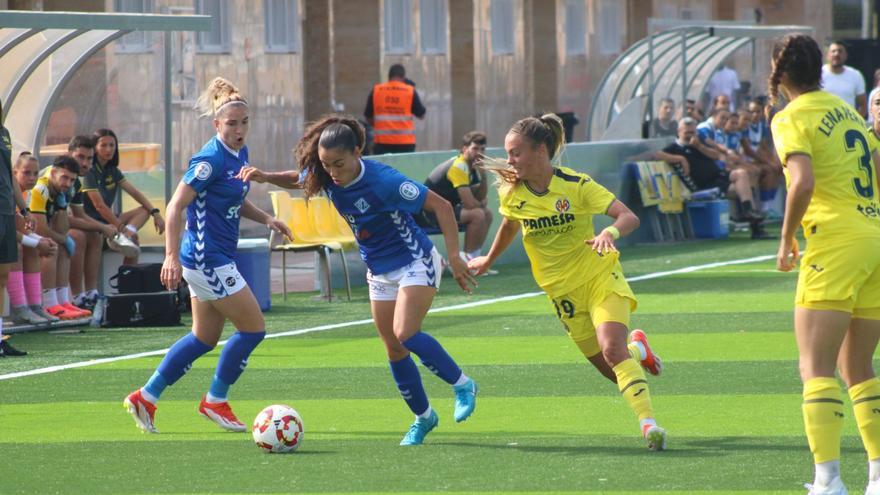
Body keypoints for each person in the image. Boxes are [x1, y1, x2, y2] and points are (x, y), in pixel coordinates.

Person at [238, 115, 480, 446]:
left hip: (415, 260)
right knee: (393, 348)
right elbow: (300, 178)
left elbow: (441, 207)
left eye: (339, 164)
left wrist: (454, 256)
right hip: (379, 270)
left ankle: (463, 384)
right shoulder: (326, 174)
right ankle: (423, 418)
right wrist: (266, 177)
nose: (332, 172)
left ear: (357, 151)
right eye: (326, 165)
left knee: (405, 333)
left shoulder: (385, 181)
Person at [467, 114, 666, 451]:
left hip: (599, 276)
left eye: (516, 153)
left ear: (540, 151)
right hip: (562, 293)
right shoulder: (512, 193)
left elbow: (627, 216)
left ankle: (649, 425)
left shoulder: (576, 184)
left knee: (612, 349)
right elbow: (510, 226)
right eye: (508, 153)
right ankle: (638, 349)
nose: (510, 160)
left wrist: (609, 231)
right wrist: (488, 259)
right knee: (612, 367)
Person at [123, 77, 291, 434]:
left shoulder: (238, 154)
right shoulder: (208, 159)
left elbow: (232, 199)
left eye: (244, 123)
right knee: (253, 329)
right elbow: (174, 207)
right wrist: (170, 256)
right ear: (217, 124)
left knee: (204, 338)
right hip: (206, 259)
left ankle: (146, 396)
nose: (239, 130)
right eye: (231, 124)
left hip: (214, 258)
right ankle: (215, 400)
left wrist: (267, 218)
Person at [770, 34, 880, 494]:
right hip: (873, 236)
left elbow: (802, 182)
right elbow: (874, 161)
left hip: (834, 242)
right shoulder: (846, 110)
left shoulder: (790, 116)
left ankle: (828, 481)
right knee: (858, 365)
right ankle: (877, 475)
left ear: (780, 71)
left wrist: (786, 238)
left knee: (815, 367)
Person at [81, 128, 165, 297]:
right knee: (117, 237)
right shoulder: (89, 172)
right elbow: (99, 206)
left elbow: (135, 193)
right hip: (93, 223)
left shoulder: (113, 171)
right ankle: (90, 292)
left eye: (112, 145)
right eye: (103, 145)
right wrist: (120, 227)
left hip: (111, 222)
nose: (108, 149)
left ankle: (128, 288)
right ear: (94, 148)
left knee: (142, 215)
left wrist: (156, 213)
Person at [656, 118, 771, 239]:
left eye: (692, 132)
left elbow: (716, 155)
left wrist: (700, 146)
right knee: (745, 191)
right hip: (705, 185)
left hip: (719, 178)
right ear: (679, 131)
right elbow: (657, 154)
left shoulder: (698, 143)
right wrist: (681, 159)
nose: (690, 135)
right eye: (687, 132)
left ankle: (749, 213)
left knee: (742, 174)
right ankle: (756, 227)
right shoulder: (674, 148)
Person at [30, 155, 91, 320]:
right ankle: (50, 304)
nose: (68, 183)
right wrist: (62, 239)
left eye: (72, 180)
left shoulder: (64, 189)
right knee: (52, 247)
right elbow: (40, 229)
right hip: (22, 235)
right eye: (64, 177)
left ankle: (63, 302)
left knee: (63, 247)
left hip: (31, 234)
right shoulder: (41, 188)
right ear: (53, 172)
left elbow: (62, 229)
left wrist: (62, 206)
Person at [422, 131, 495, 266]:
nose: (479, 152)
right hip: (429, 214)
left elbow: (479, 196)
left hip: (446, 209)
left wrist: (483, 176)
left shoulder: (471, 166)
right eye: (475, 148)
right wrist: (480, 203)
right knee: (477, 214)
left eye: (482, 149)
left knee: (488, 214)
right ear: (464, 148)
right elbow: (469, 204)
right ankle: (466, 264)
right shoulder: (459, 166)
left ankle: (474, 260)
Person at [63, 135, 118, 310]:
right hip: (41, 231)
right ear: (68, 154)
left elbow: (79, 215)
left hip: (56, 230)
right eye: (80, 157)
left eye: (89, 158)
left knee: (95, 234)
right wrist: (105, 226)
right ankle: (76, 297)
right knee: (78, 235)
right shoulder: (56, 176)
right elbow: (65, 220)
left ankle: (91, 293)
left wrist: (103, 228)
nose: (85, 163)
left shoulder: (76, 182)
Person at [0, 99, 36, 356]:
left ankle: (0, 337)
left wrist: (23, 209)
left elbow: (9, 175)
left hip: (4, 210)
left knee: (2, 274)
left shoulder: (4, 133)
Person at [8, 152, 58, 325]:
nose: (32, 178)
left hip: (8, 235)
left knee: (31, 248)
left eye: (35, 173)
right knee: (16, 248)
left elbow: (20, 228)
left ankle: (35, 306)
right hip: (5, 238)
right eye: (26, 173)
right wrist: (38, 242)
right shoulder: (8, 193)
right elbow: (9, 231)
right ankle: (19, 308)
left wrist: (40, 241)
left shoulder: (25, 195)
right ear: (14, 173)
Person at [364, 64, 426, 154]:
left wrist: (381, 126)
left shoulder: (377, 90)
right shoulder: (409, 91)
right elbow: (421, 115)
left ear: (389, 77)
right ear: (403, 77)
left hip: (382, 143)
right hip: (405, 143)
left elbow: (368, 116)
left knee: (383, 168)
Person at [821, 41, 867, 118]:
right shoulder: (818, 74)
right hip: (822, 124)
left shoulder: (855, 75)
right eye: (833, 51)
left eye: (840, 51)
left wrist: (856, 123)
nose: (836, 54)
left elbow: (863, 104)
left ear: (845, 55)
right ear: (827, 55)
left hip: (847, 125)